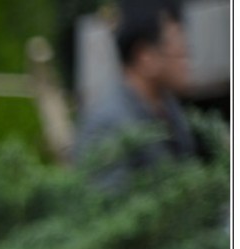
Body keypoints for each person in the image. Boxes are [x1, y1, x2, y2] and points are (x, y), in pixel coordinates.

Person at [74, 1, 199, 190]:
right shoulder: (109, 126)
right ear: (145, 56)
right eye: (181, 54)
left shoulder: (167, 107)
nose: (188, 63)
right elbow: (111, 211)